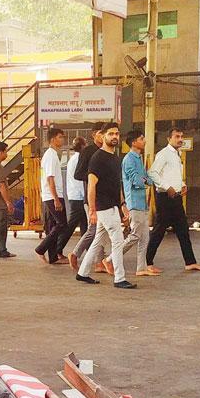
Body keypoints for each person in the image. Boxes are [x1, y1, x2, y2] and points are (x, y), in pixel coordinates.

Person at [76, 122, 135, 289]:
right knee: (117, 241)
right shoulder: (97, 158)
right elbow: (91, 185)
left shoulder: (115, 158)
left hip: (113, 206)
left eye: (117, 134)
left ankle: (82, 273)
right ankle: (119, 278)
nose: (115, 136)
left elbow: (117, 185)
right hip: (103, 207)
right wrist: (93, 210)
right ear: (103, 136)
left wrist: (123, 205)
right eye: (111, 134)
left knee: (98, 240)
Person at [149, 127, 200, 273]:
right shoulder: (163, 154)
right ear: (169, 139)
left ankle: (190, 262)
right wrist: (167, 187)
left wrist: (182, 185)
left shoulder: (177, 154)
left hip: (176, 197)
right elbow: (152, 173)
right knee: (159, 231)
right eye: (176, 136)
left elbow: (173, 175)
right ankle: (147, 262)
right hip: (165, 197)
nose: (180, 139)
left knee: (183, 230)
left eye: (181, 136)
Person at [68, 123, 107, 271]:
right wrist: (94, 177)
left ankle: (99, 262)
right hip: (91, 198)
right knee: (94, 229)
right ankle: (77, 253)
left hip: (105, 198)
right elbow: (78, 174)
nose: (103, 136)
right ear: (93, 135)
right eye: (100, 133)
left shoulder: (107, 151)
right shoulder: (88, 151)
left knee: (100, 230)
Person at [121, 130, 154, 276]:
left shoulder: (138, 158)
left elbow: (147, 179)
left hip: (142, 202)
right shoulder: (129, 159)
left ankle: (141, 268)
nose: (144, 141)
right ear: (134, 142)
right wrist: (146, 181)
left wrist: (146, 180)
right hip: (134, 202)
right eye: (142, 138)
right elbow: (136, 180)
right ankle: (110, 258)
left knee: (145, 237)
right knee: (135, 235)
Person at [34, 127, 68, 264]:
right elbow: (50, 179)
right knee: (62, 224)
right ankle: (40, 249)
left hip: (51, 195)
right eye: (61, 137)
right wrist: (56, 199)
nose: (63, 139)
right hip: (52, 196)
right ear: (53, 139)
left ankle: (53, 257)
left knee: (53, 225)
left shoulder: (52, 154)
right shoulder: (51, 155)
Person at [60, 136, 88, 259]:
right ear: (82, 146)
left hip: (75, 195)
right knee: (71, 225)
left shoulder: (73, 158)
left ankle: (89, 250)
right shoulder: (79, 159)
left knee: (85, 225)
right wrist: (85, 196)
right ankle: (58, 248)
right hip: (78, 196)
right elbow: (79, 180)